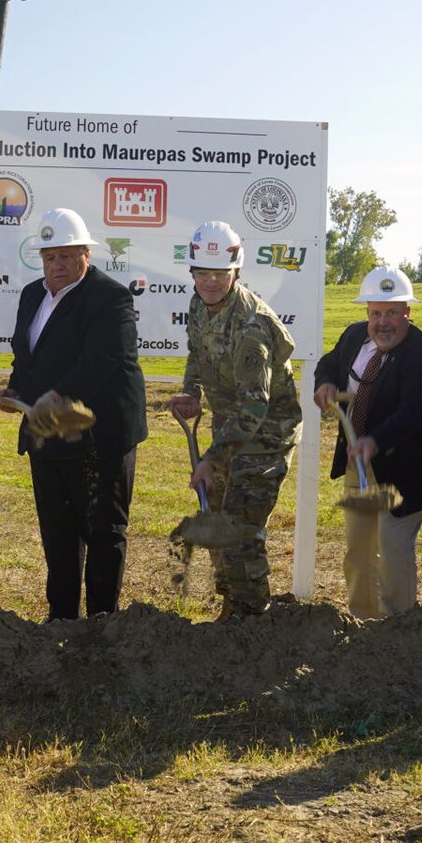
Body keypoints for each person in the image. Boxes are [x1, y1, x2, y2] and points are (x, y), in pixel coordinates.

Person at [0, 207, 148, 620]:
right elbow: (25, 355)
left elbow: (103, 361)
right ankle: (61, 617)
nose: (57, 265)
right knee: (57, 532)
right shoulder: (32, 294)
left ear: (86, 254)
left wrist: (57, 395)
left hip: (100, 439)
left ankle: (102, 624)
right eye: (50, 257)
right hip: (47, 437)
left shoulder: (111, 297)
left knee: (103, 534)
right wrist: (16, 389)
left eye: (66, 256)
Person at [165, 221, 302, 618]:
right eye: (202, 273)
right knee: (218, 520)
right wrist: (191, 390)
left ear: (236, 271)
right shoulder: (199, 303)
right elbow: (197, 350)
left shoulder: (251, 327)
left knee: (241, 530)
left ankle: (252, 619)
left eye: (219, 274)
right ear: (191, 273)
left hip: (267, 435)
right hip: (229, 427)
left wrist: (212, 459)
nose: (210, 282)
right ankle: (231, 608)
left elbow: (255, 408)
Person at [313, 264, 422, 619]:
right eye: (375, 313)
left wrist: (374, 441)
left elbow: (413, 411)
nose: (382, 322)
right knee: (357, 550)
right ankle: (362, 625)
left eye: (392, 312)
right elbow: (327, 363)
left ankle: (397, 631)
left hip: (405, 470)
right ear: (366, 313)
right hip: (358, 467)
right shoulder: (354, 336)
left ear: (408, 312)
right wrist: (324, 384)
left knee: (392, 551)